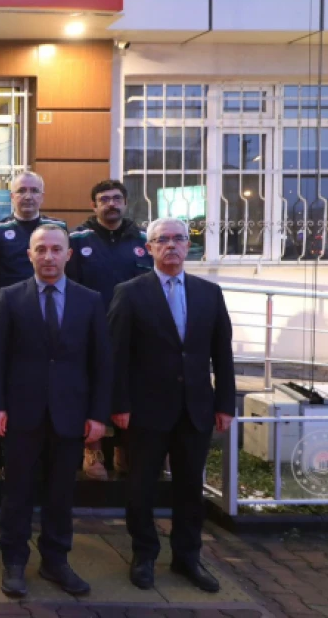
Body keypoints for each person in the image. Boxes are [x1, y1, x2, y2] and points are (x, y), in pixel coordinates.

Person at [109, 217, 236, 594]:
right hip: (145, 409)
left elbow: (222, 354)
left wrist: (225, 403)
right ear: (149, 248)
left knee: (190, 488)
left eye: (178, 239)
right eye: (162, 240)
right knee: (141, 487)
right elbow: (116, 355)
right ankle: (144, 555)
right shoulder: (129, 293)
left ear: (187, 246)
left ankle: (187, 557)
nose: (171, 245)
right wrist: (119, 403)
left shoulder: (209, 293)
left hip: (195, 408)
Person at [0, 224, 113, 598]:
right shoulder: (10, 297)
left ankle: (56, 560)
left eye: (56, 249)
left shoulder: (90, 300)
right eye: (40, 249)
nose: (48, 256)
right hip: (22, 412)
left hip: (70, 413)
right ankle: (13, 561)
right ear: (29, 255)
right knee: (17, 492)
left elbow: (101, 362)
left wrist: (98, 414)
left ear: (68, 255)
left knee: (61, 494)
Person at [67, 179, 153, 480]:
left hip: (135, 333)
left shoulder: (144, 241)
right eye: (104, 199)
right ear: (94, 205)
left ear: (125, 203)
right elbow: (70, 287)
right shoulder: (77, 240)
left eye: (117, 198)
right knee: (92, 391)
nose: (111, 204)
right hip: (91, 329)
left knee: (130, 391)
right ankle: (93, 450)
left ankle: (123, 448)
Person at [0, 171, 67, 344]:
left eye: (34, 191)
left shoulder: (58, 228)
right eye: (21, 191)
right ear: (12, 196)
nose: (28, 196)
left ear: (42, 196)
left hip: (51, 309)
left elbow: (70, 272)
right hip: (10, 310)